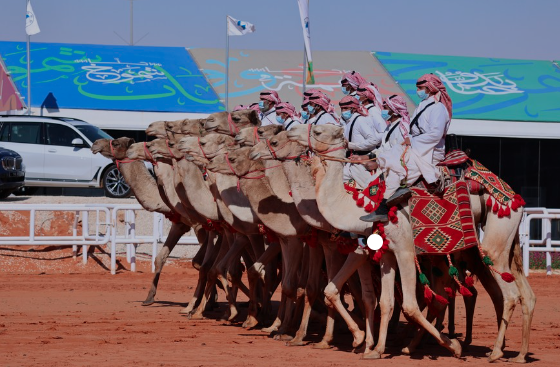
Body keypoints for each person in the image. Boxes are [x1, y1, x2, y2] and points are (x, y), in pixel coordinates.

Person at [360, 74, 452, 222]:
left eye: (420, 88)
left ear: (429, 88)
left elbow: (436, 134)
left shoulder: (438, 108)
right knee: (395, 155)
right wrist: (411, 141)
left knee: (401, 166)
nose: (418, 91)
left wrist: (412, 141)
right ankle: (383, 204)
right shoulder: (423, 105)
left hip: (430, 150)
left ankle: (387, 204)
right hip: (417, 146)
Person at [339, 95, 380, 188]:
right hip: (352, 161)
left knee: (370, 187)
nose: (343, 111)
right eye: (342, 109)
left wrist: (351, 145)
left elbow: (373, 140)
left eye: (346, 108)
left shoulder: (360, 120)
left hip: (363, 160)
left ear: (353, 109)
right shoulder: (349, 122)